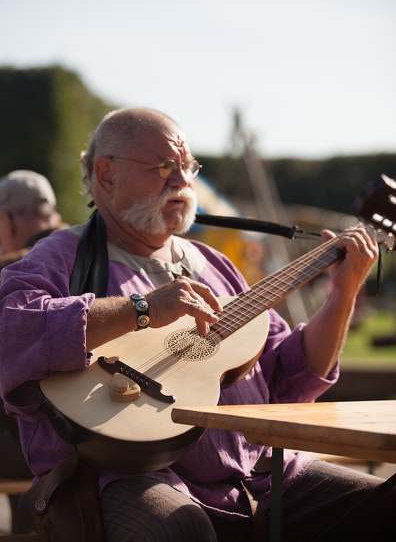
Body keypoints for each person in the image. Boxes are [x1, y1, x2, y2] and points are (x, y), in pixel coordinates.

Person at [0, 108, 393, 542]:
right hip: (122, 477)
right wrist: (143, 308)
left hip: (258, 474)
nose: (182, 182)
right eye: (164, 167)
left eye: (188, 167)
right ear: (106, 174)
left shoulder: (217, 266)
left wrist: (343, 293)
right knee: (178, 528)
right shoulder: (60, 256)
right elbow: (10, 330)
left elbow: (287, 377)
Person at [0, 169, 64, 535]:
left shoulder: (10, 271)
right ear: (54, 217)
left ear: (6, 221)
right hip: (93, 436)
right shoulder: (85, 255)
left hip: (33, 446)